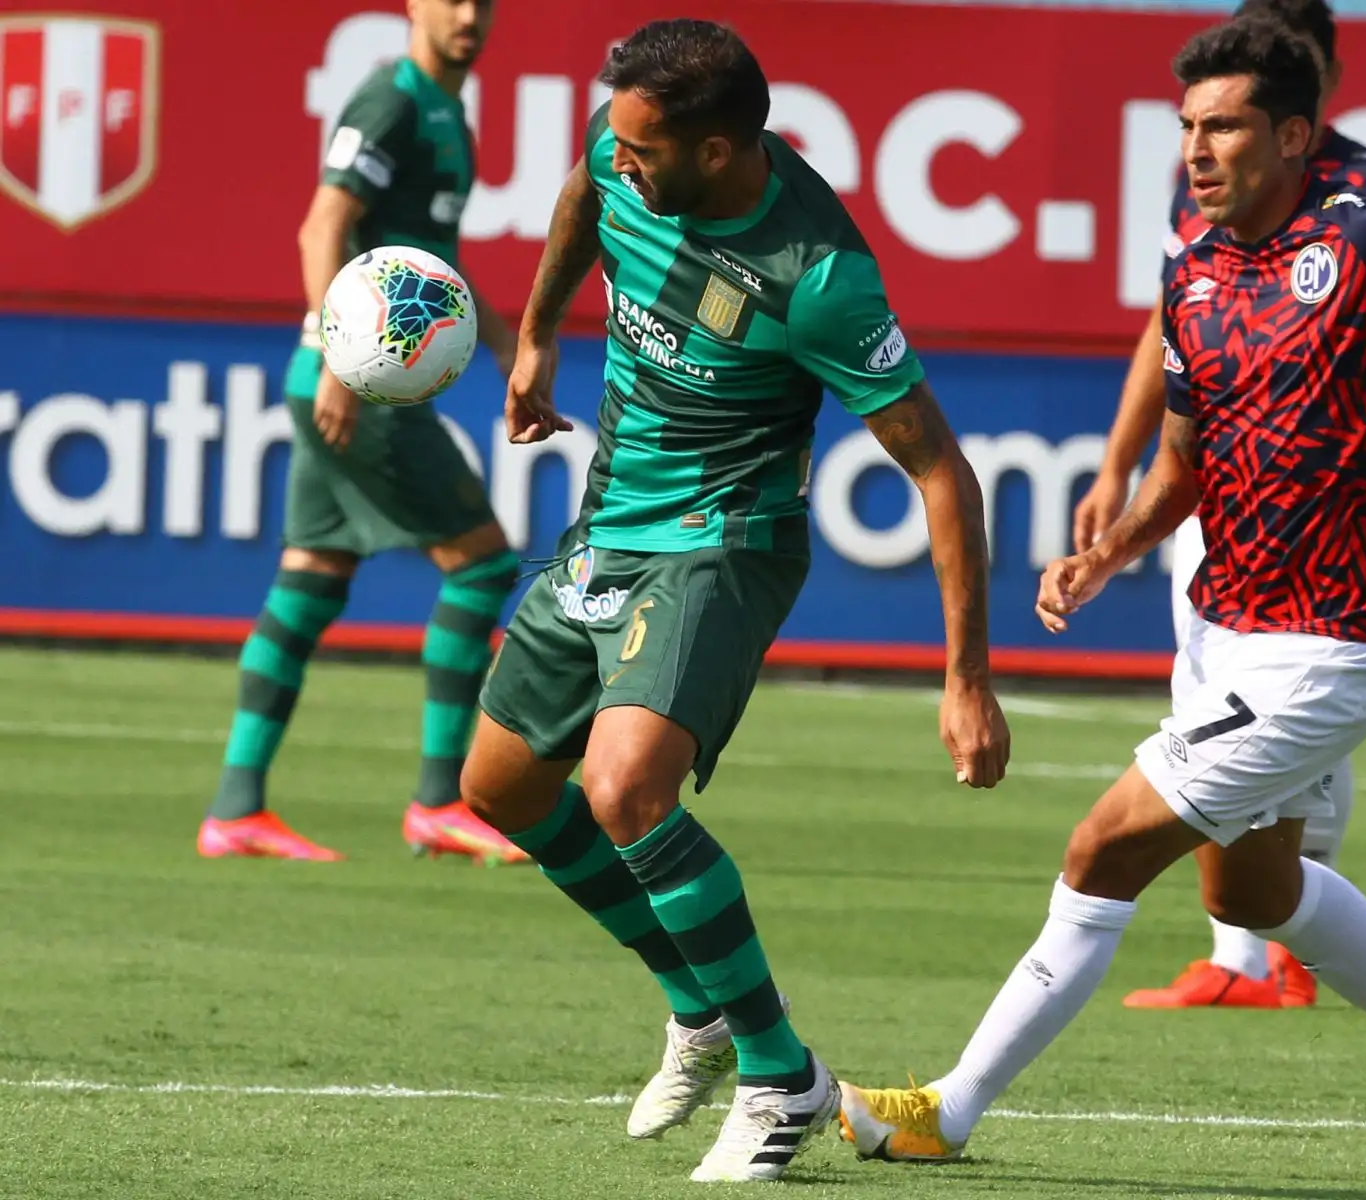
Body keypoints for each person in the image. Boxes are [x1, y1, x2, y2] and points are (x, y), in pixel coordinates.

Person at [839, 16, 1366, 1177]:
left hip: (1328, 653)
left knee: (1100, 850)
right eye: (1187, 126)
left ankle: (949, 1106)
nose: (1196, 147)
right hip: (1230, 636)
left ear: (1294, 135)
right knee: (1256, 886)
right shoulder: (1192, 274)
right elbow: (1186, 467)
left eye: (1224, 125)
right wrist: (1111, 547)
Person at [455, 19, 1011, 1184]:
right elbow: (577, 200)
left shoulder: (819, 279)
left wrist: (966, 680)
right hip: (612, 520)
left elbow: (941, 475)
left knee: (622, 788)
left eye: (645, 148)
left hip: (727, 542)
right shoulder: (626, 158)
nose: (622, 160)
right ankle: (696, 1010)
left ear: (716, 154)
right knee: (499, 787)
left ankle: (779, 1076)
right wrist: (541, 334)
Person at [1073, 0, 1366, 1011]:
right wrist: (1115, 464)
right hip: (1214, 492)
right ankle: (1255, 948)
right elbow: (1170, 326)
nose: (1210, 137)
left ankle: (1258, 953)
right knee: (1217, 698)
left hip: (1312, 516)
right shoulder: (1210, 188)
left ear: (1317, 81)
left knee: (1279, 706)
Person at [197, 0, 526, 865]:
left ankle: (235, 810)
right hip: (355, 383)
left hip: (346, 380)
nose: (468, 15)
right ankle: (441, 801)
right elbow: (323, 228)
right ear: (413, 5)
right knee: (484, 564)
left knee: (312, 578)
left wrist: (504, 336)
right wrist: (340, 359)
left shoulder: (449, 111)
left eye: (483, 1)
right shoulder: (391, 102)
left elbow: (424, 260)